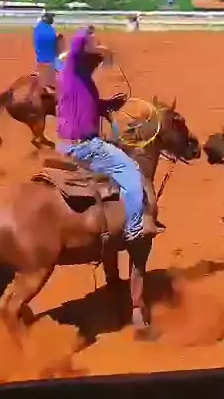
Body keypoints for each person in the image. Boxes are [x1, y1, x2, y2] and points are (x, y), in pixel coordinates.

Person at [56, 24, 157, 240]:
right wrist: (87, 31)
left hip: (68, 144)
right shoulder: (73, 72)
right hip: (86, 146)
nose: (97, 63)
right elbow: (76, 46)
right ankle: (133, 228)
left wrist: (108, 105)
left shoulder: (81, 81)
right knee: (130, 171)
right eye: (95, 59)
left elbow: (87, 107)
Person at [33, 12, 59, 95]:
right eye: (51, 18)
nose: (52, 20)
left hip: (41, 57)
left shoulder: (38, 28)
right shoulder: (50, 30)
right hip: (49, 59)